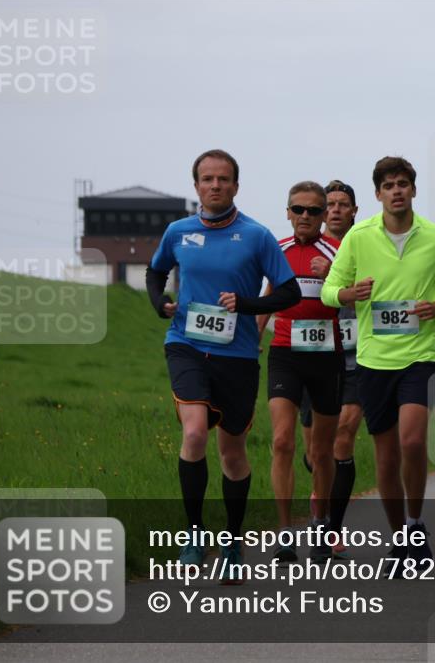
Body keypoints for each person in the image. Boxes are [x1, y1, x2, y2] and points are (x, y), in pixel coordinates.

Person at [145, 149, 300, 583]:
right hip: (187, 344)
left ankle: (232, 542)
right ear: (196, 186)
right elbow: (154, 273)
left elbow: (288, 293)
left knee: (232, 452)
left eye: (224, 179)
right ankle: (194, 536)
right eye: (207, 179)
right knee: (194, 432)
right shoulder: (178, 231)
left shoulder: (256, 235)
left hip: (238, 355)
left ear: (236, 185)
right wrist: (160, 303)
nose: (215, 186)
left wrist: (247, 304)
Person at [320, 156, 435, 566]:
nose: (397, 190)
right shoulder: (359, 238)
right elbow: (329, 289)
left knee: (413, 440)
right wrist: (349, 294)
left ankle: (417, 522)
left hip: (419, 357)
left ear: (413, 191)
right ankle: (401, 537)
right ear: (378, 194)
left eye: (403, 183)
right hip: (373, 360)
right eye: (389, 185)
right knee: (385, 456)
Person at [256, 181, 345, 563]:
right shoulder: (277, 250)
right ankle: (284, 535)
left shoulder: (340, 251)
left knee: (321, 452)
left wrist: (334, 276)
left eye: (313, 210)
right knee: (281, 442)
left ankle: (321, 525)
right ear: (288, 212)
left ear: (324, 215)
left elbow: (359, 296)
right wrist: (251, 338)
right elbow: (267, 296)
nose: (305, 217)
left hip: (327, 356)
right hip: (285, 353)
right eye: (298, 210)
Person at [297, 180, 364, 560]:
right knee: (314, 452)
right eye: (330, 204)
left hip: (358, 358)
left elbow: (385, 287)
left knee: (342, 436)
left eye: (343, 204)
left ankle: (331, 527)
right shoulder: (306, 246)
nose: (336, 210)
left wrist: (338, 275)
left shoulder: (368, 244)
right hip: (315, 352)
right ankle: (319, 488)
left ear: (354, 211)